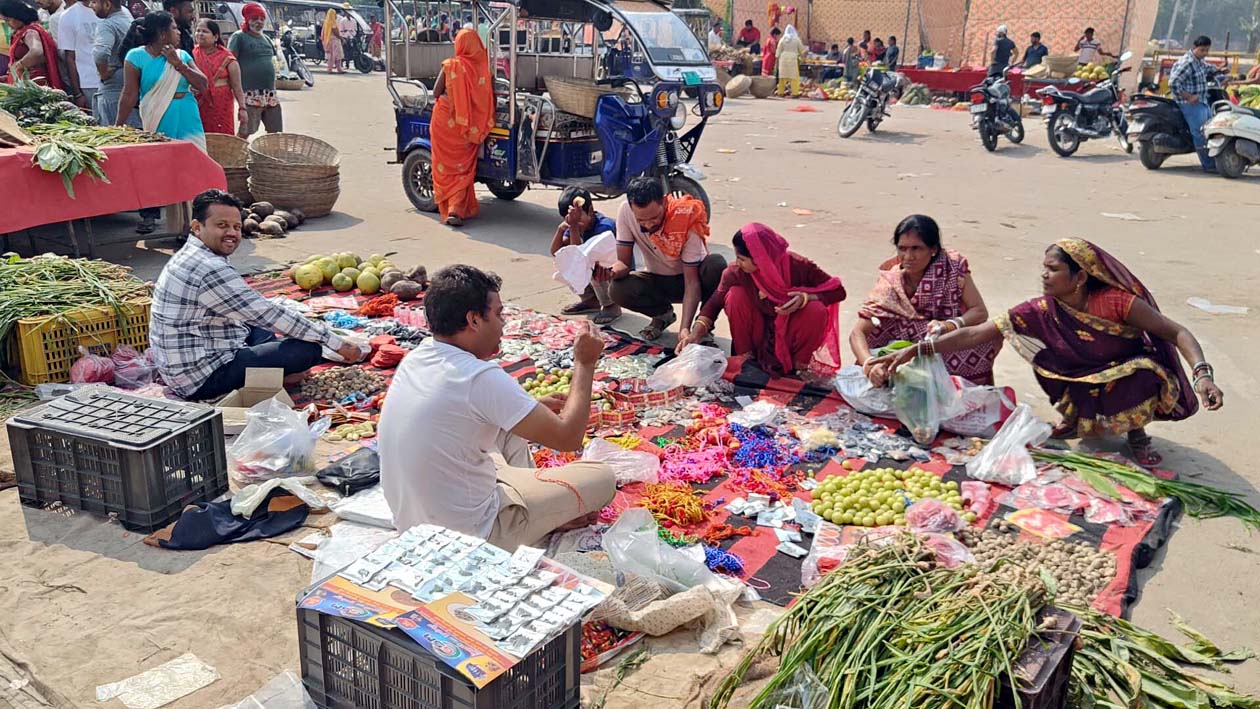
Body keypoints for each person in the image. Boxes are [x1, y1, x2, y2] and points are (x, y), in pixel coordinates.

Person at [871, 238, 1223, 468]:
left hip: (1126, 372)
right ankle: (1076, 417)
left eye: (1054, 270)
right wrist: (920, 348)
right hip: (1078, 378)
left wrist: (1203, 375)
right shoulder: (1040, 309)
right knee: (1048, 359)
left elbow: (1176, 331)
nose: (1044, 275)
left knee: (1145, 374)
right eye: (1044, 268)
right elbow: (979, 332)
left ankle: (1136, 433)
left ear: (1081, 276)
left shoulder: (1118, 303)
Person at [379, 265, 615, 549]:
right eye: (499, 314)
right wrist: (585, 363)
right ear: (474, 320)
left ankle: (538, 508)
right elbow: (569, 438)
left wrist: (532, 409)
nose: (503, 324)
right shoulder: (479, 377)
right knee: (602, 478)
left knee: (510, 427)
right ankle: (536, 517)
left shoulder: (419, 357)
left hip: (414, 523)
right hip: (470, 537)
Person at [150, 190, 365, 400]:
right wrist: (338, 343)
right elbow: (267, 314)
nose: (232, 234)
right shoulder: (209, 267)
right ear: (197, 227)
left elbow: (255, 309)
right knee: (307, 350)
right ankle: (277, 371)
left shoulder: (192, 253)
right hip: (201, 379)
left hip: (189, 361)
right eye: (221, 225)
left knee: (269, 325)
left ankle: (276, 369)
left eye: (236, 227)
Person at [852, 215, 999, 387]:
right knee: (876, 330)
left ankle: (960, 387)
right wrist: (869, 366)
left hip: (942, 339)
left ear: (933, 249)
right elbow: (857, 333)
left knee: (986, 337)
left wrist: (950, 325)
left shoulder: (952, 268)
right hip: (902, 339)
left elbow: (979, 311)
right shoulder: (891, 282)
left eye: (916, 248)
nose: (908, 256)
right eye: (902, 248)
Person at [686, 223, 845, 375]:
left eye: (742, 258)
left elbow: (837, 291)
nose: (738, 263)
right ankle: (744, 360)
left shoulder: (798, 267)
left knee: (815, 309)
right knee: (735, 296)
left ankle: (798, 366)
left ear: (760, 258)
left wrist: (805, 298)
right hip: (756, 333)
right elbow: (714, 304)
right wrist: (694, 334)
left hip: (789, 332)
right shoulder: (736, 273)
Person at [608, 176, 727, 341]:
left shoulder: (685, 218)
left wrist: (684, 330)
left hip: (692, 280)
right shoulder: (625, 212)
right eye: (641, 220)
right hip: (658, 280)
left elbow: (691, 283)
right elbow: (624, 263)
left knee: (716, 265)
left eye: (654, 218)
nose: (649, 225)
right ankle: (663, 315)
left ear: (664, 202)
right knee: (618, 289)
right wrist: (610, 272)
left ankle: (702, 327)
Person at [116, 10, 207, 150]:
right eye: (174, 28)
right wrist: (118, 126)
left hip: (187, 114)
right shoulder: (135, 57)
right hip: (156, 114)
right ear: (162, 34)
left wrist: (179, 65)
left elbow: (203, 84)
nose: (179, 32)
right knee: (162, 157)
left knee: (193, 158)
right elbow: (129, 94)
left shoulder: (181, 56)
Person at [430, 29, 494, 227]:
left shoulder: (451, 66)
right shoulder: (483, 70)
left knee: (445, 167)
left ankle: (452, 207)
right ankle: (455, 210)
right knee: (462, 169)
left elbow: (435, 92)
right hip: (468, 128)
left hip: (444, 123)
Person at [552, 187, 621, 324]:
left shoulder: (604, 227)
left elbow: (579, 259)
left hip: (615, 272)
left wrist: (573, 227)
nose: (571, 221)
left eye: (577, 218)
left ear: (590, 211)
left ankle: (611, 306)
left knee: (589, 267)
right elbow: (556, 252)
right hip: (590, 265)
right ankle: (591, 300)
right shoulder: (574, 223)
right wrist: (561, 229)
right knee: (564, 261)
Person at [229, 3, 280, 138]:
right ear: (247, 20)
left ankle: (270, 157)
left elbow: (274, 61)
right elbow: (230, 61)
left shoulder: (266, 39)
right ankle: (237, 156)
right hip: (250, 94)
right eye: (254, 18)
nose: (259, 22)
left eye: (262, 19)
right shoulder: (239, 37)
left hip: (270, 94)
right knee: (246, 131)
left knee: (275, 132)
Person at [1170, 35, 1220, 173]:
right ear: (1194, 48)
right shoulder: (1187, 63)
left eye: (1207, 51)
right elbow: (1173, 83)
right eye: (1202, 50)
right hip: (1190, 104)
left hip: (1202, 102)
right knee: (1199, 133)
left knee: (1210, 131)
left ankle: (1214, 161)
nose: (1205, 53)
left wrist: (1220, 70)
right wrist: (1189, 97)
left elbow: (1207, 67)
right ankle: (1208, 165)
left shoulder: (1198, 60)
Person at [191, 18, 245, 134]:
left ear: (215, 37)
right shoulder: (191, 53)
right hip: (197, 101)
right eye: (198, 30)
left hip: (221, 103)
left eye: (204, 31)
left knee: (221, 136)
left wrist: (242, 108)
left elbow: (237, 86)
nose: (200, 34)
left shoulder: (227, 57)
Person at [92, 0, 138, 127]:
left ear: (107, 4)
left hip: (114, 89)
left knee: (117, 134)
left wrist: (104, 73)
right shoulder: (127, 16)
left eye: (94, 2)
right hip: (133, 84)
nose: (91, 6)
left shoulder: (107, 25)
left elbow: (100, 53)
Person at [1, 0, 63, 88]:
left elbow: (37, 52)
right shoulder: (20, 32)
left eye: (8, 20)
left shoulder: (30, 32)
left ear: (17, 16)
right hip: (26, 83)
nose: (8, 24)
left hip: (36, 84)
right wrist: (9, 76)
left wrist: (18, 66)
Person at [58, 0, 99, 108]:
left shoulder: (117, 11)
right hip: (89, 84)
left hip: (117, 82)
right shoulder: (68, 16)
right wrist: (78, 93)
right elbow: (70, 58)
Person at [775, 24, 804, 97]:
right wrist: (802, 57)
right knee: (794, 77)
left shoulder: (782, 39)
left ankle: (780, 92)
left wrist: (777, 60)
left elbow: (778, 50)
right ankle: (795, 93)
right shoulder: (796, 39)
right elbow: (801, 50)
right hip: (793, 59)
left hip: (783, 59)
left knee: (782, 77)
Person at [320, 9, 343, 73]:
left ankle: (329, 69)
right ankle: (339, 69)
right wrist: (341, 38)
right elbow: (335, 32)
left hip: (327, 40)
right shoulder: (332, 22)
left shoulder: (326, 22)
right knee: (338, 55)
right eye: (335, 14)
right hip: (334, 40)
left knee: (330, 55)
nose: (336, 16)